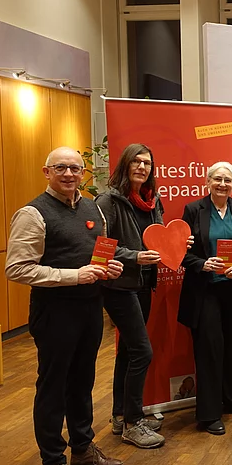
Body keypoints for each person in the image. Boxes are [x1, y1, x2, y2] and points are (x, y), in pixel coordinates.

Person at [5, 146, 125, 465]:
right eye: (61, 168)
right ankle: (53, 464)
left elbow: (96, 255)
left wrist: (107, 268)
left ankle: (83, 449)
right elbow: (17, 268)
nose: (69, 174)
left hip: (90, 307)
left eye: (75, 168)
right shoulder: (32, 213)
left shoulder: (92, 208)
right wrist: (75, 276)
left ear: (82, 174)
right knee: (53, 387)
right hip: (54, 313)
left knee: (82, 382)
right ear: (47, 172)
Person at [95, 143, 168, 449]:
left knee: (127, 351)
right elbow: (100, 246)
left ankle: (120, 414)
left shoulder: (152, 201)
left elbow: (159, 238)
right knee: (142, 351)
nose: (142, 167)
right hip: (119, 285)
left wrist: (177, 244)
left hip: (144, 283)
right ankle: (133, 423)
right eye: (136, 161)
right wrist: (134, 257)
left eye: (147, 163)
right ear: (125, 165)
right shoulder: (108, 201)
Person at [179, 162, 232, 435]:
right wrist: (202, 264)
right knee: (209, 350)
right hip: (205, 291)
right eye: (218, 179)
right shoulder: (193, 210)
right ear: (208, 182)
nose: (223, 184)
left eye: (228, 180)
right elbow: (181, 251)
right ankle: (209, 413)